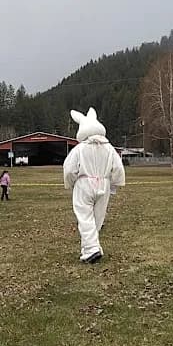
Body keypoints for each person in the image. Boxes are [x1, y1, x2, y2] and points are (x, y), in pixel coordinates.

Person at [63, 108, 125, 264]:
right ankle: (90, 247)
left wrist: (70, 183)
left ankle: (91, 249)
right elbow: (117, 167)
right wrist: (115, 183)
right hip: (103, 184)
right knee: (98, 217)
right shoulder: (109, 148)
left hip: (84, 184)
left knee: (85, 217)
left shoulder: (80, 149)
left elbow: (69, 169)